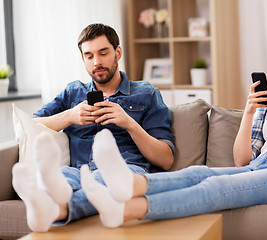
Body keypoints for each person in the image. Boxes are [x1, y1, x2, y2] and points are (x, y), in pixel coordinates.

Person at [75, 33, 267, 228]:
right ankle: (129, 185)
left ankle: (126, 210)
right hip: (262, 164)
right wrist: (250, 112)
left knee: (216, 188)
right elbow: (241, 161)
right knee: (200, 174)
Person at [11, 23, 174, 232]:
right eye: (89, 56)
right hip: (77, 170)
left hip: (124, 170)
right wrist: (69, 116)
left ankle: (52, 209)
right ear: (83, 59)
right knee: (61, 177)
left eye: (103, 53)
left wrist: (129, 124)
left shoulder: (146, 93)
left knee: (100, 180)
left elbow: (166, 159)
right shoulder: (73, 92)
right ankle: (47, 199)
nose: (96, 62)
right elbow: (30, 123)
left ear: (118, 52)